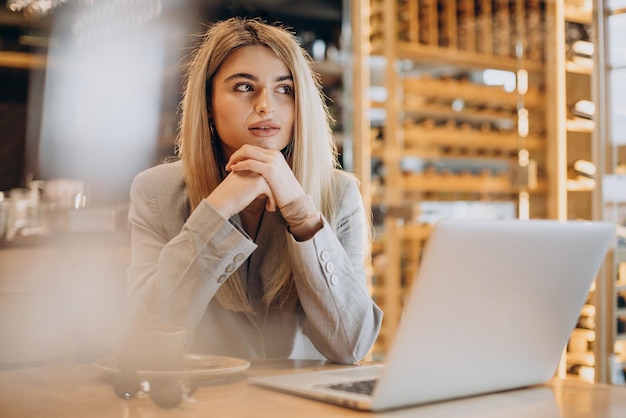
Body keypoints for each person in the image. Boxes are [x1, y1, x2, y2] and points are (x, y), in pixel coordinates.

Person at [124, 17, 382, 364]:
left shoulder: (339, 193)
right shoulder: (155, 190)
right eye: (244, 87)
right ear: (208, 106)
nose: (266, 105)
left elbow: (352, 346)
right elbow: (145, 331)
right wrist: (217, 209)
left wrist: (302, 213)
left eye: (285, 89)